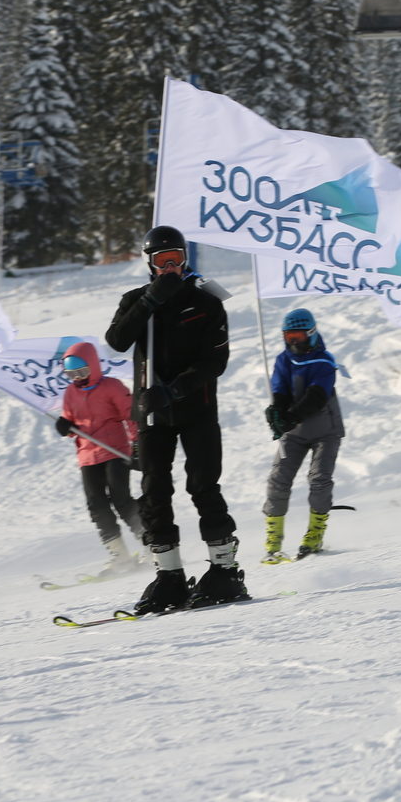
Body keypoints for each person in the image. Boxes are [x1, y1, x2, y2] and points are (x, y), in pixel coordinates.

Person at [105, 225, 244, 613]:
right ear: (149, 264)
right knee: (154, 490)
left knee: (203, 486)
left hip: (195, 408)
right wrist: (149, 302)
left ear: (186, 259)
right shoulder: (136, 300)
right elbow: (116, 340)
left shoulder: (206, 302)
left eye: (176, 259)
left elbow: (215, 361)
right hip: (152, 415)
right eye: (161, 261)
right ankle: (169, 574)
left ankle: (225, 570)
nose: (170, 267)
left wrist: (175, 388)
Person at [261, 308, 344, 562]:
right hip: (294, 431)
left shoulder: (324, 361)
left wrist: (290, 416)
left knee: (319, 479)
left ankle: (315, 534)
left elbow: (316, 397)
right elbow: (281, 390)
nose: (293, 342)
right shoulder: (283, 360)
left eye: (298, 336)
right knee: (278, 479)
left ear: (311, 333)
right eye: (289, 337)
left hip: (325, 430)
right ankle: (274, 539)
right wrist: (276, 410)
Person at [55, 341, 142, 574]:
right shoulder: (70, 393)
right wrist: (65, 426)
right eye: (71, 374)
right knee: (96, 505)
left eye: (82, 372)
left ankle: (151, 542)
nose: (78, 378)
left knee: (121, 499)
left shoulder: (111, 387)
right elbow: (71, 420)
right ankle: (120, 555)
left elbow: (131, 415)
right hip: (87, 455)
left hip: (114, 450)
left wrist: (137, 445)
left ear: (93, 367)